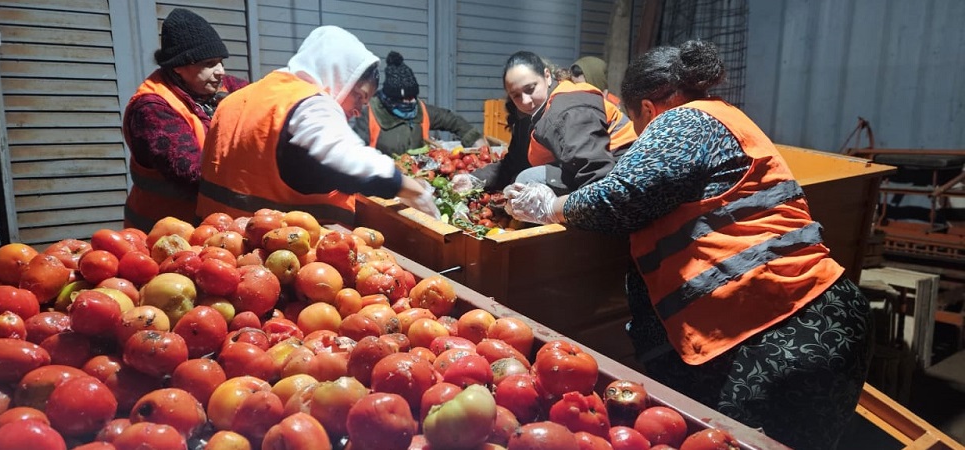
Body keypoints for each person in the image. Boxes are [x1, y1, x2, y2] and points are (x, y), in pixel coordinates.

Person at [502, 40, 872, 450]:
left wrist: (553, 206)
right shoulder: (725, 116)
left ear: (646, 108)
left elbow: (622, 196)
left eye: (635, 123)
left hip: (778, 328)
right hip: (813, 309)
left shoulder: (683, 121)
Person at [196, 25, 438, 225]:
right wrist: (415, 190)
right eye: (359, 96)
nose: (358, 110)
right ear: (340, 76)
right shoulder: (310, 103)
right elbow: (352, 163)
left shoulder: (239, 98)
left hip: (215, 244)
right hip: (272, 253)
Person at [122, 8, 249, 231]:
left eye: (221, 61)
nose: (220, 71)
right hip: (162, 235)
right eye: (209, 63)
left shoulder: (221, 85)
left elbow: (264, 98)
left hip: (211, 229)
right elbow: (192, 173)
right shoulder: (152, 109)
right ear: (178, 67)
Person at [470, 51, 637, 195]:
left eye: (530, 89)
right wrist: (474, 180)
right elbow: (515, 162)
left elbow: (595, 173)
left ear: (547, 76)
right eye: (516, 95)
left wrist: (557, 209)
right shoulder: (531, 113)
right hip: (590, 169)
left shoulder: (569, 110)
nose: (525, 101)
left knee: (527, 180)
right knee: (519, 180)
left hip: (621, 173)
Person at [351, 51, 486, 156]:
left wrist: (475, 140)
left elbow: (452, 120)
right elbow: (355, 152)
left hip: (418, 176)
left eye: (412, 97)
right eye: (405, 98)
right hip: (383, 178)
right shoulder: (370, 113)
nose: (410, 102)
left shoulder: (420, 109)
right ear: (391, 98)